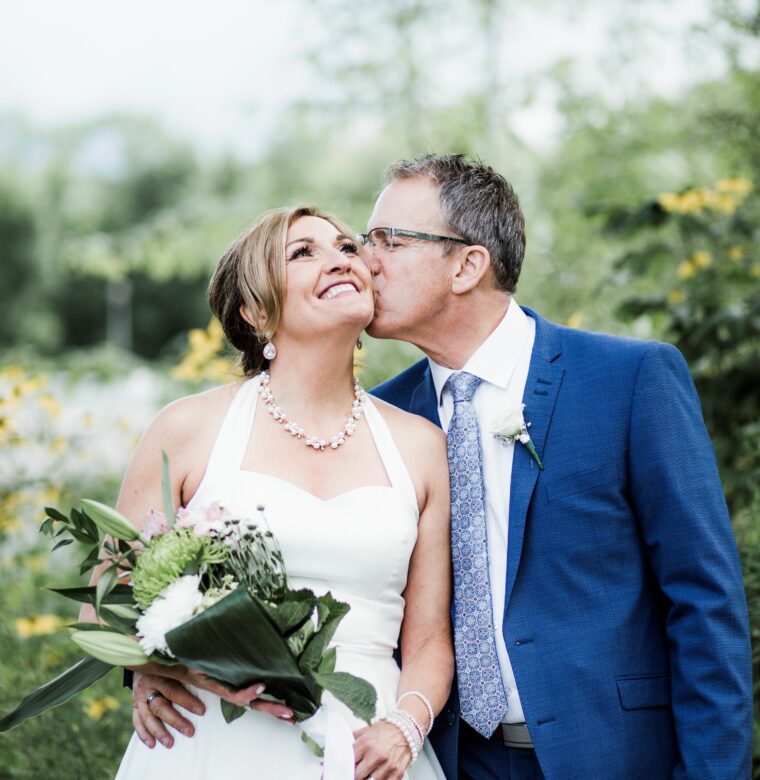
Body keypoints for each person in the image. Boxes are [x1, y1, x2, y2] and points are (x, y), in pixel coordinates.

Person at [367, 154, 753, 779]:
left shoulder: (629, 381)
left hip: (614, 756)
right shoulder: (380, 418)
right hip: (451, 761)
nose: (366, 260)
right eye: (367, 240)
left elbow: (704, 599)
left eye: (390, 240)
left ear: (467, 265)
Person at [109, 205, 454, 779]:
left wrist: (405, 726)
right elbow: (110, 602)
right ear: (255, 310)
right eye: (303, 253)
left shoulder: (420, 447)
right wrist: (181, 670)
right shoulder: (188, 430)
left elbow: (429, 643)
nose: (342, 261)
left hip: (366, 748)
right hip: (214, 739)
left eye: (347, 248)